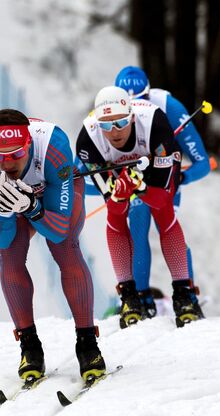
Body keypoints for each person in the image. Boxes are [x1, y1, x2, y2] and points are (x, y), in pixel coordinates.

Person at [0, 108, 106, 383]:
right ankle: (30, 347)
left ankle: (88, 345)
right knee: (10, 256)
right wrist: (4, 211)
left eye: (16, 154)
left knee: (65, 248)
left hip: (51, 190)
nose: (7, 164)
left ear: (29, 145)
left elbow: (59, 230)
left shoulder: (53, 146)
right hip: (14, 203)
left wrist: (32, 207)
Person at [75, 86, 203, 329]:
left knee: (163, 214)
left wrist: (142, 188)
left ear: (132, 117)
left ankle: (184, 293)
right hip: (115, 169)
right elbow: (113, 209)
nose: (114, 132)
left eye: (121, 122)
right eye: (106, 125)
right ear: (97, 123)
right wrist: (121, 194)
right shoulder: (88, 140)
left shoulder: (155, 122)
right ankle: (129, 297)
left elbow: (162, 199)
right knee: (116, 217)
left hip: (154, 161)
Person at [114, 66, 211, 318]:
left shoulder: (171, 108)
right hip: (135, 178)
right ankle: (140, 298)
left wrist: (180, 177)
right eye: (127, 109)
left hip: (165, 177)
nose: (136, 114)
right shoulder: (106, 114)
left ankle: (186, 294)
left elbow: (202, 163)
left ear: (149, 95)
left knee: (166, 225)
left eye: (142, 102)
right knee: (137, 225)